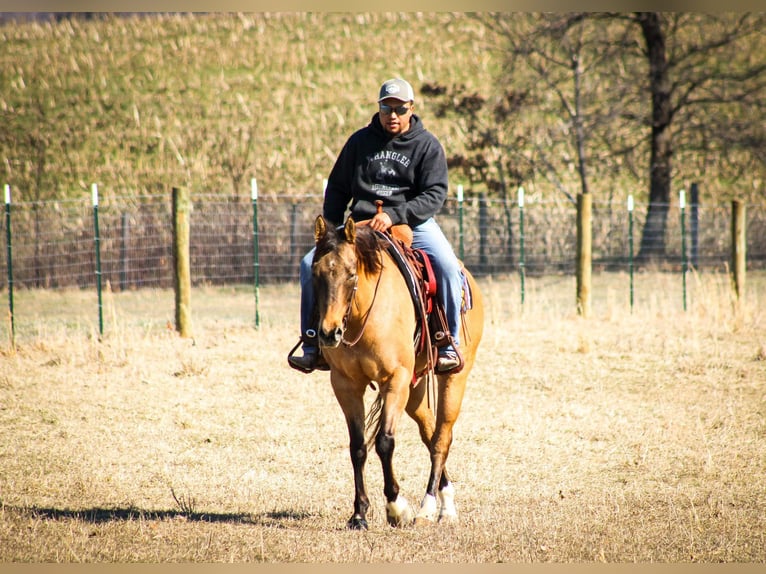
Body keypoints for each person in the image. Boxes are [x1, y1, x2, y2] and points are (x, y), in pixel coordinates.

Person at [288, 78, 464, 374]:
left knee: (446, 266)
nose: (392, 115)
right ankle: (311, 342)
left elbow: (434, 194)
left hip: (413, 223)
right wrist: (331, 233)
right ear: (379, 108)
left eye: (399, 108)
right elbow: (337, 188)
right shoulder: (359, 142)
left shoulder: (427, 145)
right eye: (386, 107)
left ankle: (447, 343)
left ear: (411, 108)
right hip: (360, 226)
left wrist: (396, 214)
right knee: (310, 265)